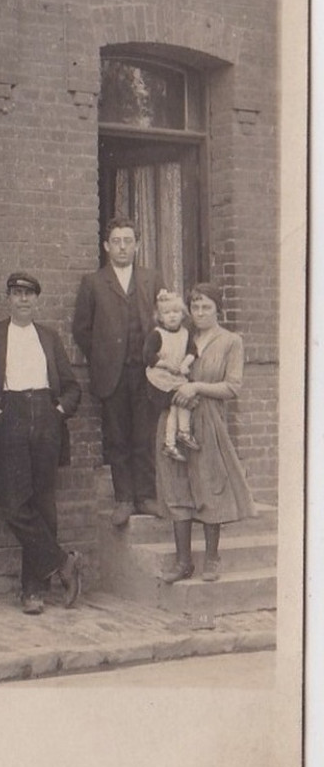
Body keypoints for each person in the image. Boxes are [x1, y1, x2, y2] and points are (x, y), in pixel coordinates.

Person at [0, 272, 83, 615]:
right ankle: (63, 562)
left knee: (44, 506)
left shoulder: (49, 337)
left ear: (36, 300)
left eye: (29, 295)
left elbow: (73, 387)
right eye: (16, 293)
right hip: (9, 416)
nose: (23, 300)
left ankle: (34, 591)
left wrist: (58, 411)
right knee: (15, 505)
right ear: (8, 298)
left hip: (45, 415)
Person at [155, 283, 256, 584]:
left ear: (217, 310)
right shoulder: (180, 336)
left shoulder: (230, 341)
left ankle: (212, 558)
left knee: (210, 484)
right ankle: (183, 560)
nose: (200, 313)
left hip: (208, 420)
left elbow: (233, 387)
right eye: (195, 307)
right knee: (176, 485)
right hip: (173, 415)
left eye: (206, 307)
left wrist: (196, 387)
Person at [72, 217, 165, 527]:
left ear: (137, 245)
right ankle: (124, 498)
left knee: (145, 434)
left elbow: (166, 322)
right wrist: (103, 358)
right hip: (112, 374)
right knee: (118, 437)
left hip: (147, 373)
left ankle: (146, 496)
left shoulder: (152, 279)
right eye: (116, 241)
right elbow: (82, 329)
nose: (122, 246)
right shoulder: (94, 282)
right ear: (106, 246)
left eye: (128, 240)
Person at [143, 290, 199, 462]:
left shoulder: (185, 333)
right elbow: (148, 356)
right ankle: (180, 434)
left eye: (176, 312)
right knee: (177, 404)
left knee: (178, 406)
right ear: (160, 317)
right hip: (160, 379)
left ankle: (173, 441)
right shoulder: (157, 334)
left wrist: (184, 364)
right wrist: (166, 364)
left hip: (177, 376)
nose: (172, 316)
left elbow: (192, 352)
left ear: (183, 314)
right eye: (167, 313)